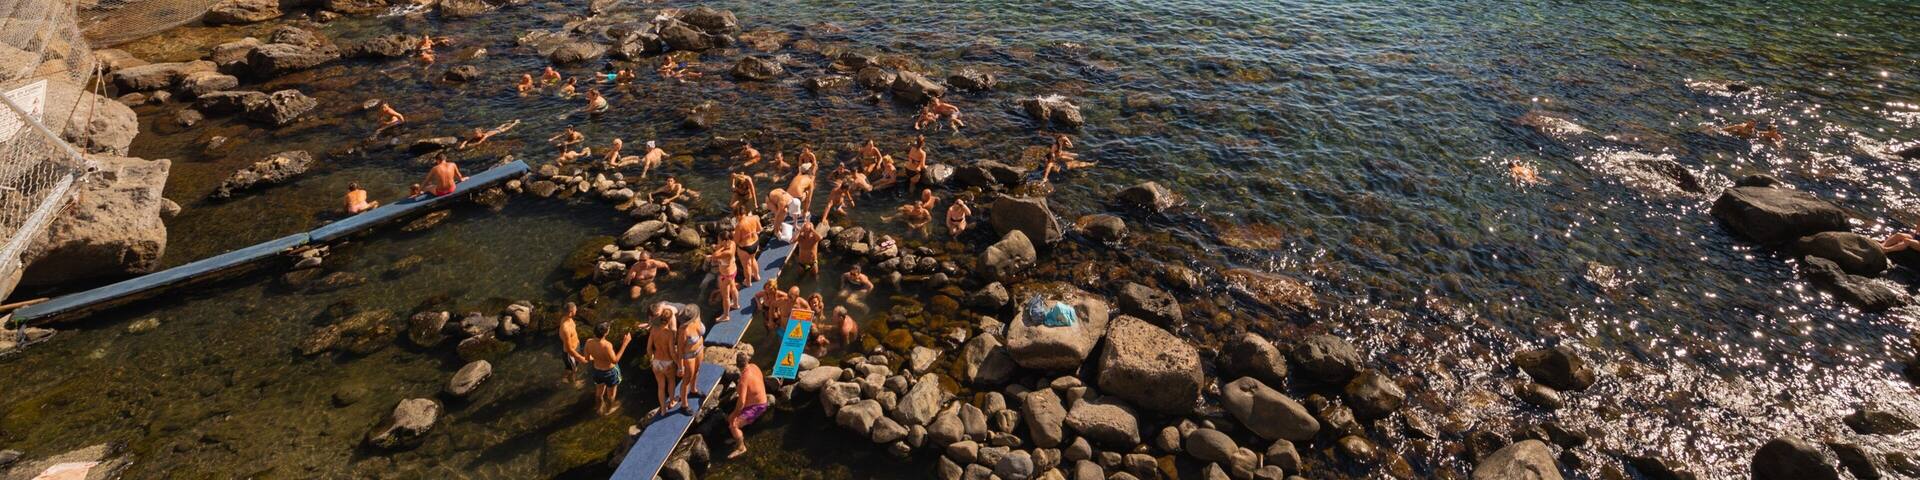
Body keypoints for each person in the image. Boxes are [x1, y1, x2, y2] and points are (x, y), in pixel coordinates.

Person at [726, 345, 767, 459]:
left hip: (757, 406)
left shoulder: (744, 380)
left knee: (733, 424)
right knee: (732, 419)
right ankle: (737, 436)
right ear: (747, 361)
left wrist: (734, 415)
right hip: (761, 399)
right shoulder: (754, 366)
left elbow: (741, 402)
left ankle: (741, 447)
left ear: (737, 366)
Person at [584, 322, 633, 416]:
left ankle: (598, 408)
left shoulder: (588, 342)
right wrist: (625, 343)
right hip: (610, 372)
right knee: (611, 393)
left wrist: (598, 357)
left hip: (597, 371)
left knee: (599, 391)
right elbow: (615, 360)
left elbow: (587, 358)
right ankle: (608, 410)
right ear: (606, 333)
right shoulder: (607, 345)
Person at [647, 305, 682, 415]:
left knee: (661, 387)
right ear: (670, 319)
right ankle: (672, 401)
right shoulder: (670, 334)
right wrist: (679, 365)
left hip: (656, 362)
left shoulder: (653, 330)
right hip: (667, 362)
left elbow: (648, 348)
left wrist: (651, 359)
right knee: (671, 382)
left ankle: (662, 409)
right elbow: (672, 352)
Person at [675, 308, 707, 414]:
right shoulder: (683, 330)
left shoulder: (697, 317)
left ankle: (693, 390)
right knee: (687, 379)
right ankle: (684, 405)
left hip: (700, 350)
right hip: (689, 356)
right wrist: (680, 367)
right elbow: (680, 350)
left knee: (697, 371)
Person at [557, 303, 586, 387]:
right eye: (575, 310)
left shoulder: (568, 318)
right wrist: (580, 358)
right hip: (570, 354)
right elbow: (569, 349)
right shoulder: (565, 328)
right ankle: (573, 383)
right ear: (570, 312)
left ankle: (564, 377)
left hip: (575, 347)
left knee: (570, 367)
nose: (576, 310)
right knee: (574, 369)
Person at [709, 239, 742, 313]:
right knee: (733, 288)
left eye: (719, 240)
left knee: (726, 297)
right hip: (730, 272)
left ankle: (726, 314)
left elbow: (715, 256)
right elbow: (713, 292)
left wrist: (721, 247)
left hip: (727, 275)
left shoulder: (727, 252)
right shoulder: (732, 244)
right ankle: (736, 304)